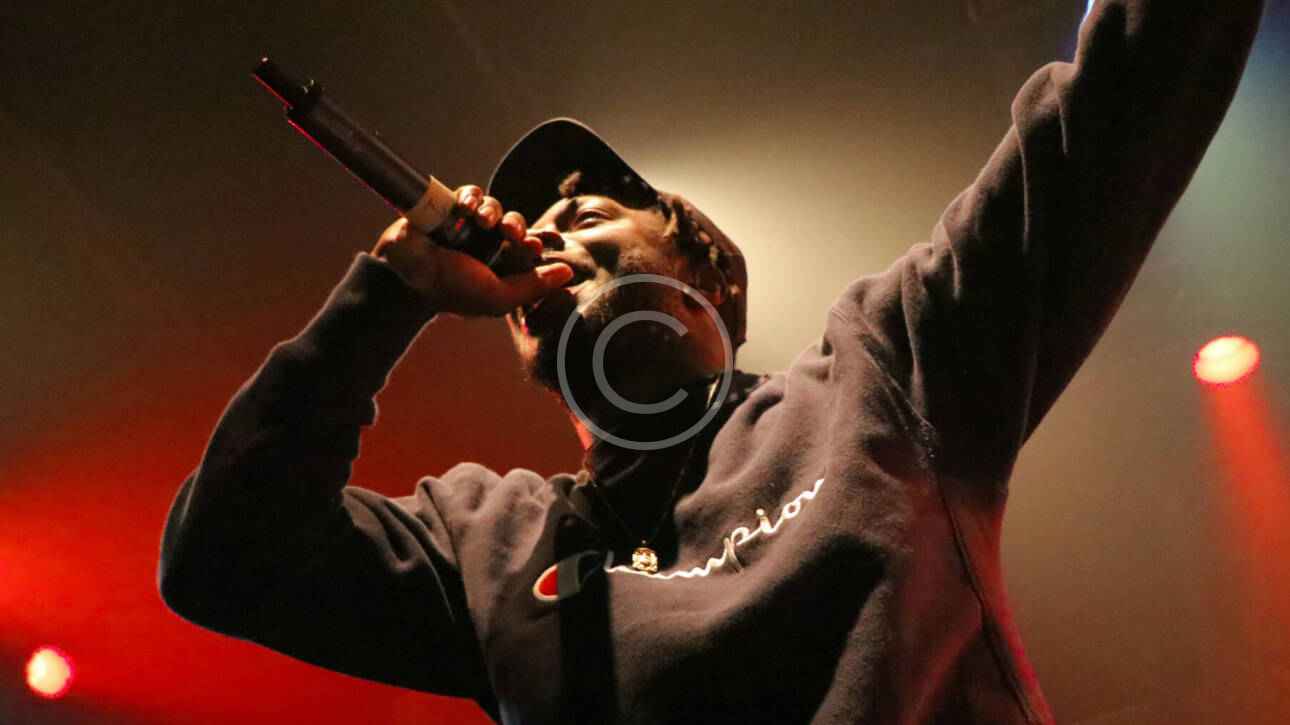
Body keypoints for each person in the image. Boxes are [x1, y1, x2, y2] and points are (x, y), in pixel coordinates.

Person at [158, 2, 1264, 722]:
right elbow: (223, 554)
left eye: (587, 211)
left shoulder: (878, 375)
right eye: (534, 225)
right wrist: (386, 295)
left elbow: (1109, 112)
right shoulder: (486, 543)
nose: (545, 232)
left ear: (710, 271)